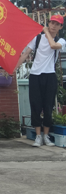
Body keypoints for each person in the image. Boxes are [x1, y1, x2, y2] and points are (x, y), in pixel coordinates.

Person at [16, 15, 65, 147]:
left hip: (50, 76)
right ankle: (38, 136)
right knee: (36, 105)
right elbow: (26, 54)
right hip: (35, 75)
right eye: (51, 23)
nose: (53, 25)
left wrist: (47, 32)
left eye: (56, 24)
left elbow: (53, 45)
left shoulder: (61, 41)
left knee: (48, 107)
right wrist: (14, 68)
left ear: (61, 27)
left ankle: (46, 136)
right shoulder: (37, 38)